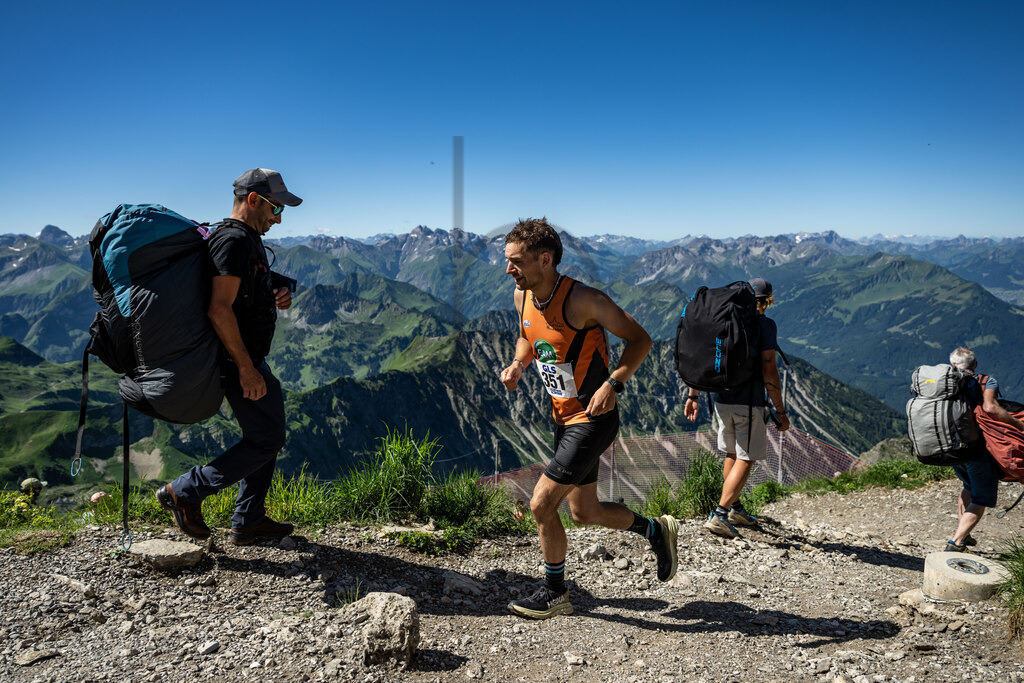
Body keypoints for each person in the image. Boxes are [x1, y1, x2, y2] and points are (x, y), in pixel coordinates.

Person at [499, 218, 677, 620]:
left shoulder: (585, 301)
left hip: (594, 418)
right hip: (562, 417)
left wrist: (614, 382)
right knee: (584, 512)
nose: (509, 270)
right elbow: (529, 336)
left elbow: (640, 339)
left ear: (545, 260)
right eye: (508, 261)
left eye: (516, 262)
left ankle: (554, 592)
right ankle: (655, 531)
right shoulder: (522, 296)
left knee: (542, 505)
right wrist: (517, 363)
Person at [157, 169, 301, 546]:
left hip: (245, 357)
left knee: (266, 432)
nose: (279, 218)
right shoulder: (233, 240)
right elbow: (219, 309)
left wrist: (279, 287)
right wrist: (246, 368)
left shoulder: (245, 240)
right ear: (253, 200)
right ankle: (185, 491)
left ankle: (249, 517)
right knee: (267, 438)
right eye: (274, 208)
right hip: (234, 359)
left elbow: (244, 289)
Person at [685, 277, 789, 538]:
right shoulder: (763, 325)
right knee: (746, 457)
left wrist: (693, 395)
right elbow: (769, 369)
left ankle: (735, 509)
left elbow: (701, 358)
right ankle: (720, 514)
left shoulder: (722, 323)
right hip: (749, 402)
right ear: (766, 301)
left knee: (732, 454)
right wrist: (781, 410)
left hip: (721, 400)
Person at [944, 347, 1023, 552]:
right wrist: (1019, 424)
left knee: (968, 486)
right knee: (981, 497)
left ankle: (964, 532)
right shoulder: (985, 381)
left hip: (952, 447)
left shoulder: (943, 382)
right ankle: (956, 543)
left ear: (952, 364)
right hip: (976, 449)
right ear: (975, 364)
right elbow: (990, 408)